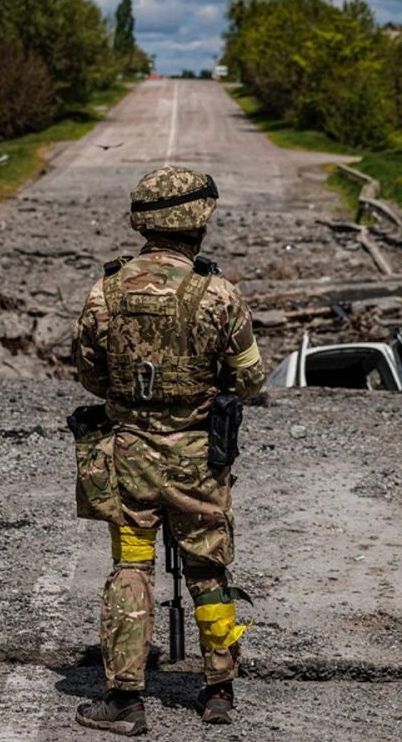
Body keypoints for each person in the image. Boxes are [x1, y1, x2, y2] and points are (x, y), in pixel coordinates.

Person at [70, 166, 267, 735]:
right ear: (198, 222)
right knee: (208, 567)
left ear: (143, 222)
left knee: (132, 566)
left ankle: (125, 701)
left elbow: (89, 374)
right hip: (199, 462)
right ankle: (218, 692)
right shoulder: (218, 293)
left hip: (129, 456)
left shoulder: (105, 290)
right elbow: (250, 381)